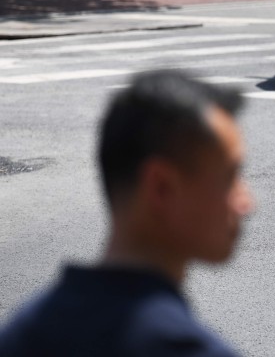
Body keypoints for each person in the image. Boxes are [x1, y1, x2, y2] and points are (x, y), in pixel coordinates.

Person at [0, 70, 254, 356]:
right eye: (229, 177)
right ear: (161, 188)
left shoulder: (23, 332)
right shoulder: (185, 348)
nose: (247, 203)